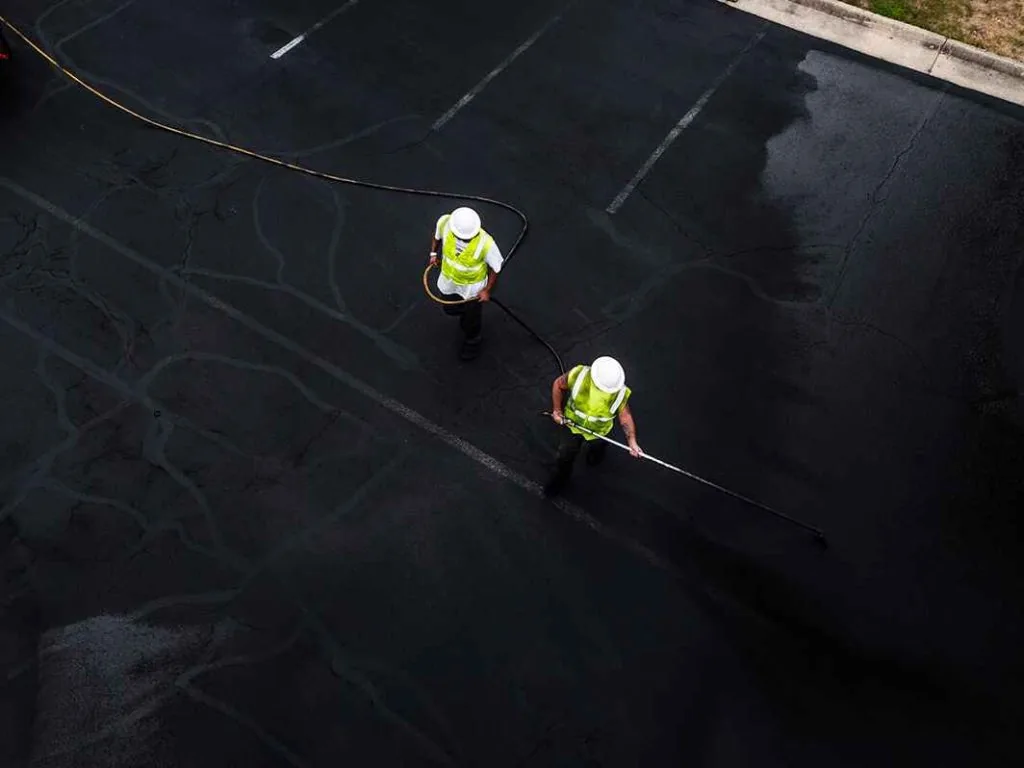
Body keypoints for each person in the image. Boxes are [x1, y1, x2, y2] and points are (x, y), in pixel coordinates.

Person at [544, 356, 643, 496]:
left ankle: (596, 454)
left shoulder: (619, 393)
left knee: (597, 447)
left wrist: (632, 441)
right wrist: (557, 411)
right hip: (572, 425)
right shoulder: (578, 374)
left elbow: (625, 417)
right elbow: (558, 385)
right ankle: (562, 478)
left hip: (599, 432)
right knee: (565, 455)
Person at [428, 206, 503, 360]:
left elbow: (496, 267)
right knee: (449, 309)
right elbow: (437, 237)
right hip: (449, 280)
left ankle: (473, 341)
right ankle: (464, 313)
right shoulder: (445, 223)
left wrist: (487, 290)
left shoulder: (486, 244)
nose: (465, 239)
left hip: (472, 289)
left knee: (472, 319)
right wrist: (433, 254)